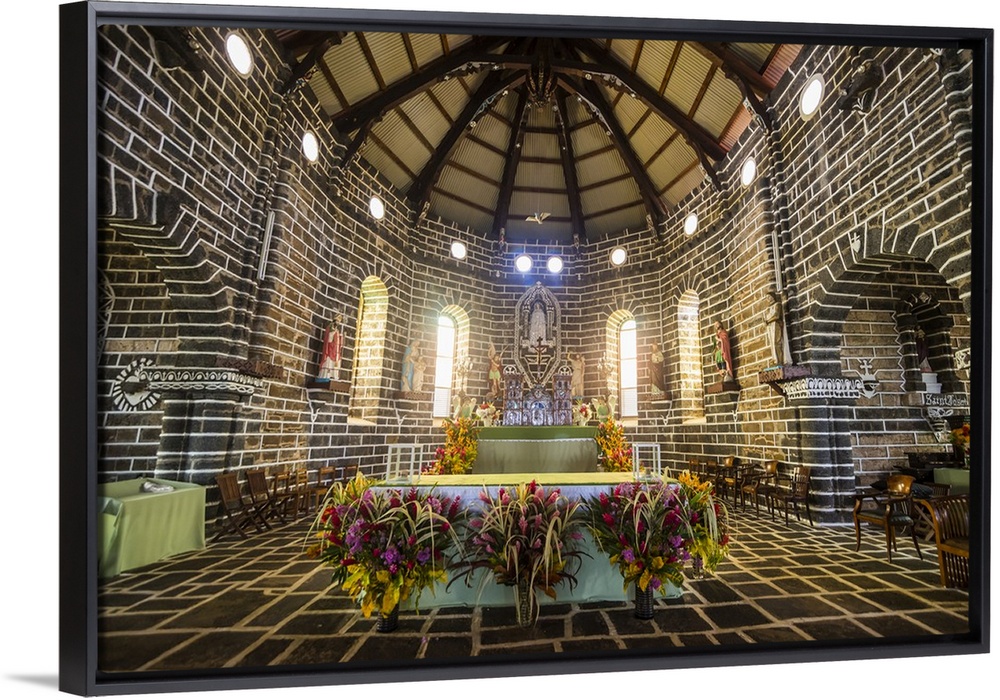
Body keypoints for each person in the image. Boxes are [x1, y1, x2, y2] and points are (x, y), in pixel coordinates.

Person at [763, 292, 790, 368]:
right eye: (767, 297)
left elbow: (777, 315)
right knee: (772, 344)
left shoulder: (777, 305)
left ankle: (780, 361)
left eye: (769, 296)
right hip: (770, 327)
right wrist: (765, 321)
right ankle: (775, 360)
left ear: (773, 296)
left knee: (777, 343)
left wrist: (768, 321)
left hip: (776, 325)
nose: (768, 299)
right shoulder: (768, 308)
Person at [318, 314, 343, 380]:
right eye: (337, 321)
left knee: (336, 361)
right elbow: (329, 339)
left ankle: (333, 375)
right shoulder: (329, 328)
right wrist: (333, 333)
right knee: (328, 361)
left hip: (335, 349)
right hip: (330, 349)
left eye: (339, 321)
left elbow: (338, 341)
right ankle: (326, 375)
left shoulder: (337, 330)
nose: (338, 323)